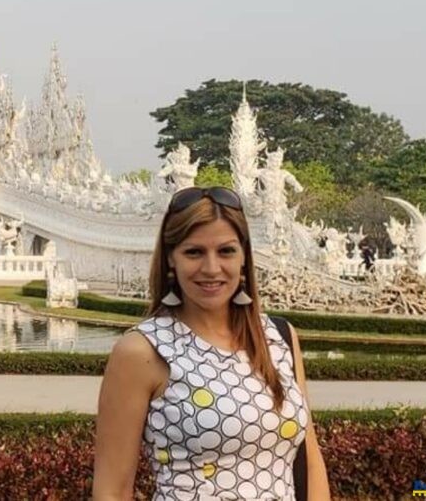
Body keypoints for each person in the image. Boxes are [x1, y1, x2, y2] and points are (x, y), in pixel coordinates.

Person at [93, 186, 330, 500]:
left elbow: (310, 461)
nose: (211, 268)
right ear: (171, 259)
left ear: (244, 256)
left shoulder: (279, 337)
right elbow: (112, 490)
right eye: (194, 252)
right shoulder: (143, 351)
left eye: (226, 251)